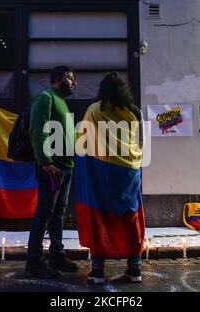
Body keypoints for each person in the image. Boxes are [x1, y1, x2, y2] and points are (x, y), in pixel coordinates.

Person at [74, 72, 145, 284]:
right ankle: (135, 269)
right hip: (129, 171)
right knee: (130, 217)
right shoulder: (135, 111)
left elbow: (81, 142)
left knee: (100, 217)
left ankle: (97, 271)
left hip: (101, 172)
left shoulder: (94, 110)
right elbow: (138, 141)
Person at [25, 66, 78, 278]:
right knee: (45, 213)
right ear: (58, 79)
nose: (74, 83)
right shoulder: (46, 97)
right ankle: (34, 262)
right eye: (70, 79)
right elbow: (38, 129)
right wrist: (45, 162)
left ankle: (56, 256)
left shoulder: (62, 102)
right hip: (52, 168)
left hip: (66, 167)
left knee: (59, 214)